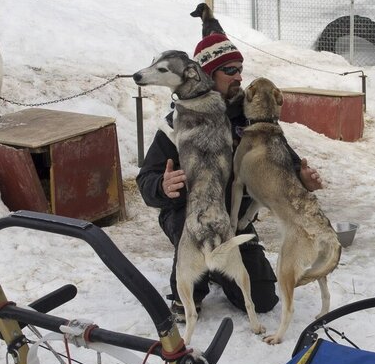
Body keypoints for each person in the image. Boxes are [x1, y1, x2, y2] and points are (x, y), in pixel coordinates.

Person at [136, 31, 323, 319]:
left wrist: (302, 177)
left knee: (262, 300)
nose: (239, 77)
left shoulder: (250, 117)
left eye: (240, 69)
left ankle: (216, 268)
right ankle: (191, 285)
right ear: (208, 75)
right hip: (187, 212)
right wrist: (161, 186)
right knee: (192, 239)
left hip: (233, 221)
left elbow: (280, 158)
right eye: (230, 70)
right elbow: (146, 178)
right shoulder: (178, 121)